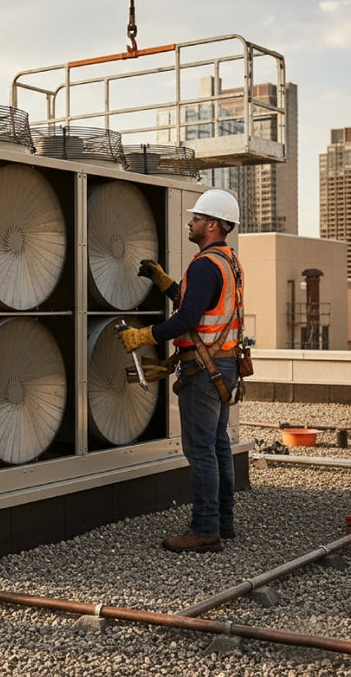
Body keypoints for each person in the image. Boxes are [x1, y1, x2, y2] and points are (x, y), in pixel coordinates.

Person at [118, 188, 244, 554]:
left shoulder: (205, 264)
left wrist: (144, 335)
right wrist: (165, 282)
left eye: (197, 218)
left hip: (204, 370)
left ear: (214, 225)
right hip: (224, 365)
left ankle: (204, 530)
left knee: (201, 449)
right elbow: (199, 304)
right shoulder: (228, 261)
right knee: (218, 444)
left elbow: (188, 318)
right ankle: (223, 520)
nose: (190, 222)